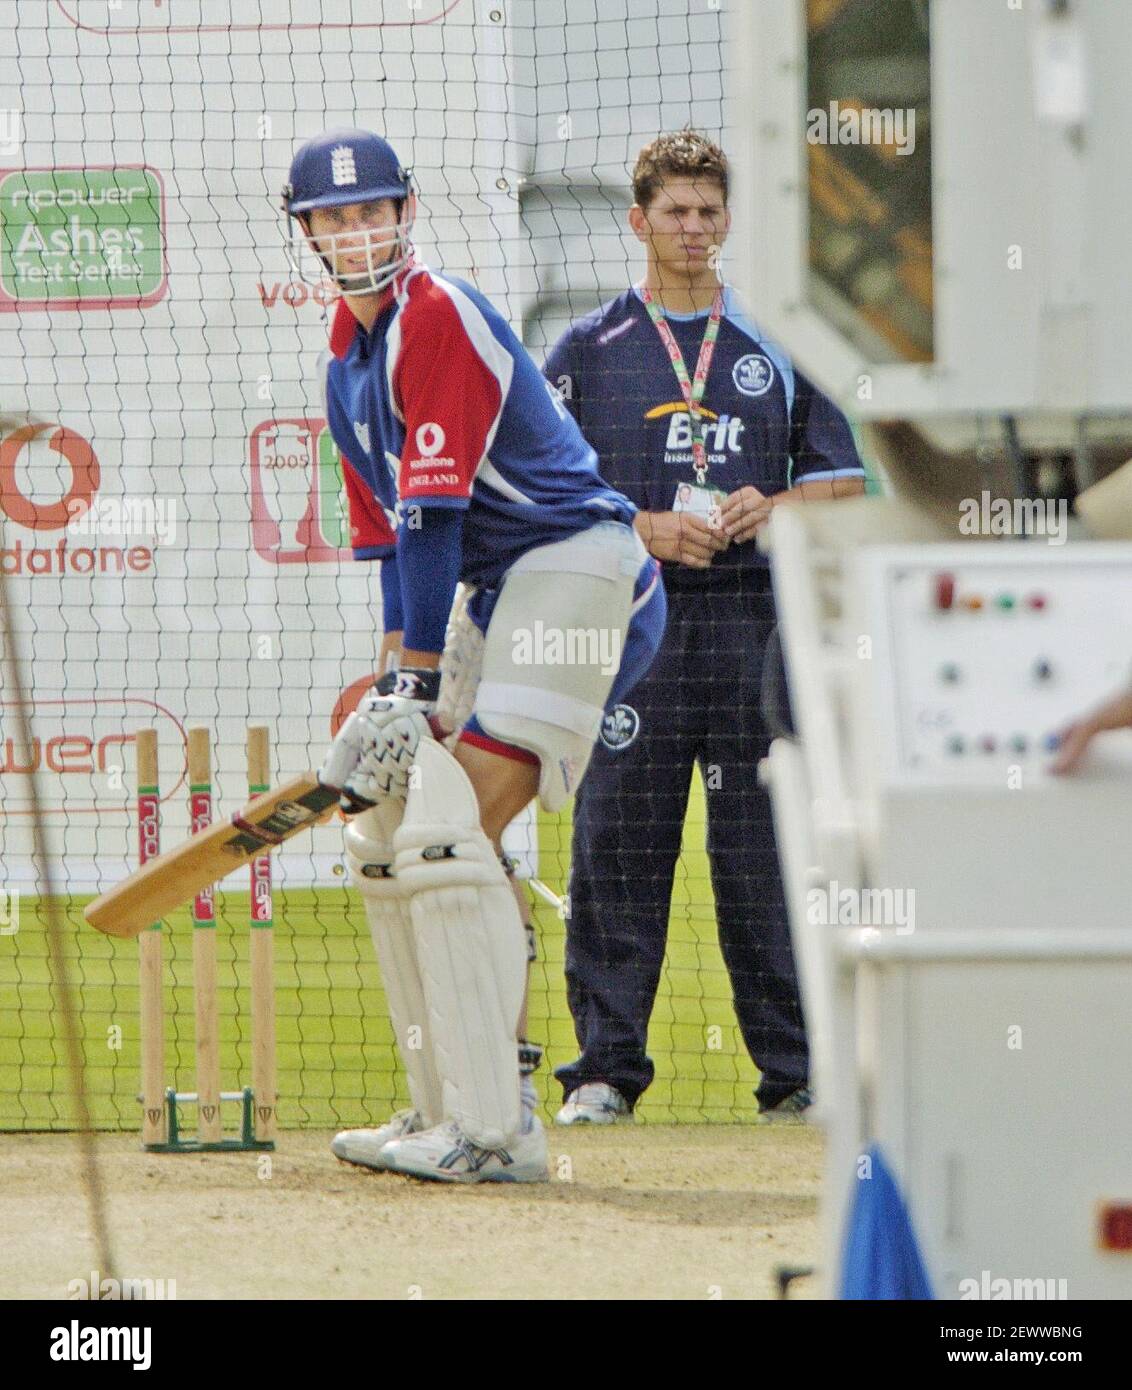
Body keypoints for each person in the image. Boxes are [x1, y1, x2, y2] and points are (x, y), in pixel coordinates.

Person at [281, 128, 666, 1182]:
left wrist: (409, 680)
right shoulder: (343, 362)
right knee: (385, 830)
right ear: (305, 232)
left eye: (374, 212)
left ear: (405, 214)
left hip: (578, 568)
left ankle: (499, 1134)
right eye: (334, 217)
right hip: (505, 594)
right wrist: (387, 692)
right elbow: (390, 547)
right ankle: (441, 1108)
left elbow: (435, 517)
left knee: (451, 832)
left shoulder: (434, 313)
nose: (358, 233)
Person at [542, 130, 867, 1124]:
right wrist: (642, 524)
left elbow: (843, 484)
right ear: (637, 222)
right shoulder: (585, 351)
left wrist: (776, 509)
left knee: (763, 853)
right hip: (634, 632)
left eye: (708, 213)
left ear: (727, 222)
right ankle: (603, 1073)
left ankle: (795, 1074)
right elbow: (547, 497)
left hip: (753, 631)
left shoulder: (782, 344)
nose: (692, 229)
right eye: (674, 212)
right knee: (619, 848)